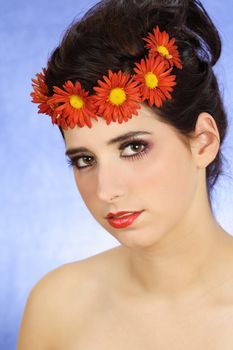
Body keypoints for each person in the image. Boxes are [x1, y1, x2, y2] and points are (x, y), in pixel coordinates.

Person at [18, 0, 233, 348]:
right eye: (85, 160)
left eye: (133, 147)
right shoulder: (56, 307)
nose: (106, 190)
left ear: (203, 143)